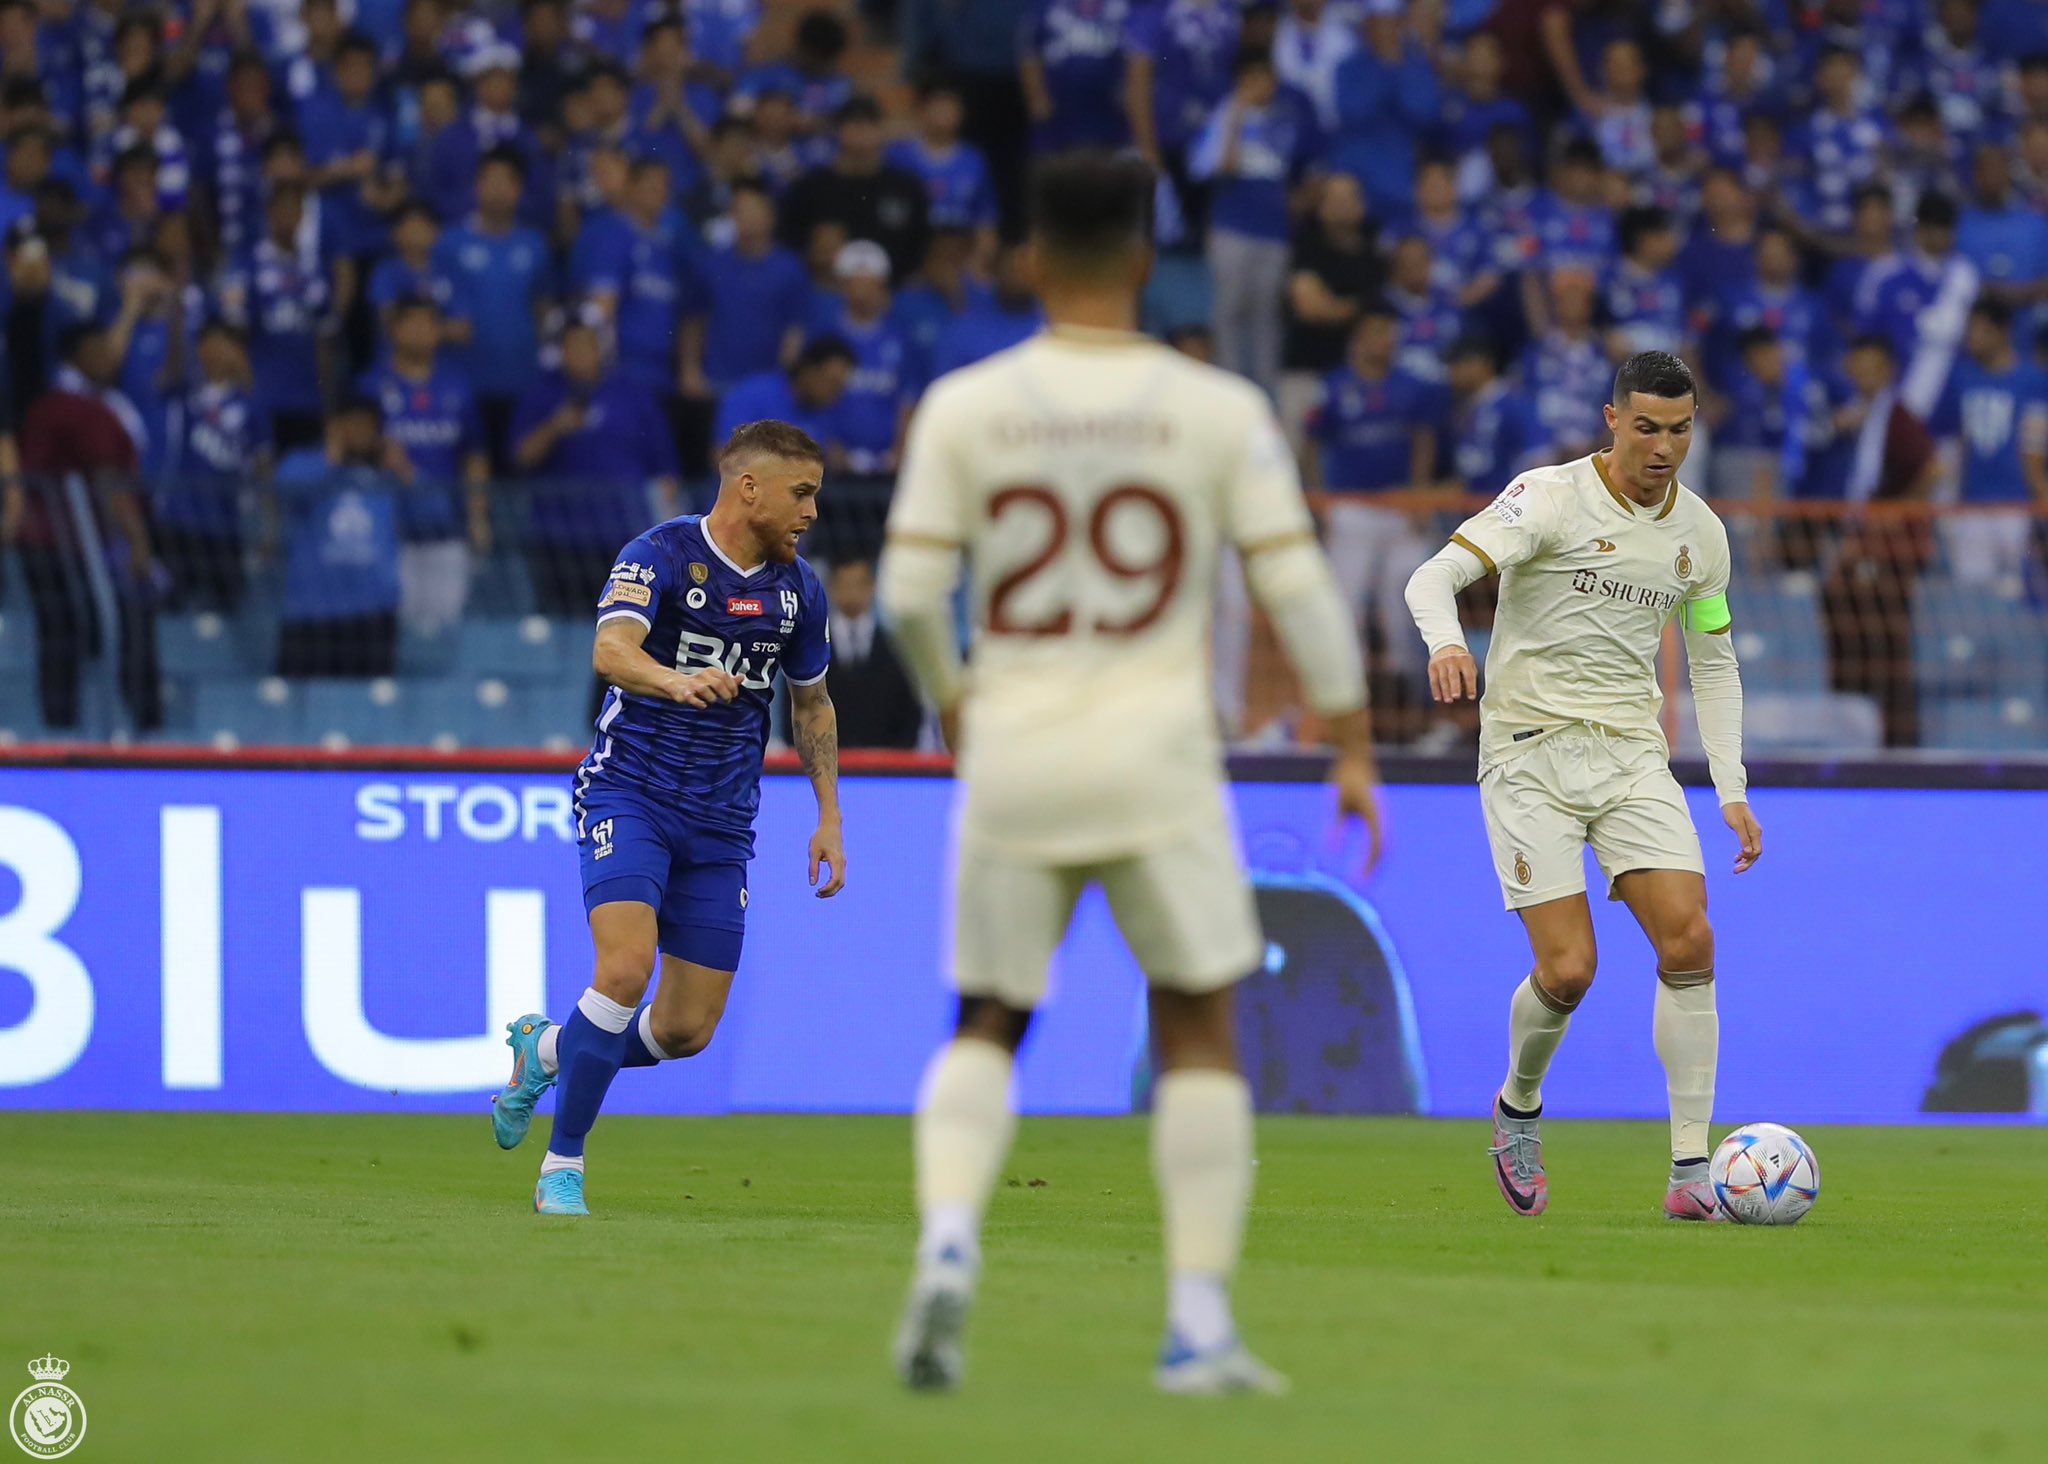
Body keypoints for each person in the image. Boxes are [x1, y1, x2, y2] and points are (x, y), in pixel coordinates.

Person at [878, 150, 1382, 1395]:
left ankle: (947, 1242)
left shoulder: (966, 405)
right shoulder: (1213, 409)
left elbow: (901, 593)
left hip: (1019, 748)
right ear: (1150, 261)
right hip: (1157, 755)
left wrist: (957, 704)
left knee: (988, 1016)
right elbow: (1296, 583)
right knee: (1199, 1022)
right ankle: (1196, 1322)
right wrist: (1350, 739)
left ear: (1029, 259)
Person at [1402, 350, 1763, 1223]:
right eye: (1646, 427)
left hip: (1632, 756)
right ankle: (1518, 1106)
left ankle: (1689, 1170)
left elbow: (1713, 661)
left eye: (1679, 430)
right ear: (1612, 421)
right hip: (1529, 752)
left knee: (1690, 941)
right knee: (1568, 972)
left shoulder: (1701, 536)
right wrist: (1448, 642)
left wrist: (1732, 787)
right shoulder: (1548, 499)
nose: (1663, 447)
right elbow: (1433, 575)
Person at [489, 419, 845, 1217]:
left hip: (723, 822)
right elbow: (611, 652)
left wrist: (829, 815)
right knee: (623, 971)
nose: (811, 512)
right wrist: (672, 680)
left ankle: (544, 1047)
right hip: (632, 793)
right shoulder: (657, 554)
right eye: (802, 493)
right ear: (748, 486)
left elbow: (812, 705)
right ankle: (563, 1168)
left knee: (687, 1030)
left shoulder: (799, 592)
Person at [15, 321, 160, 731]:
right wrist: (137, 542)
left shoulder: (60, 404)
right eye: (98, 349)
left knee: (63, 636)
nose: (108, 358)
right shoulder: (81, 409)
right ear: (75, 355)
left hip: (54, 543)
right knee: (104, 630)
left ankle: (67, 725)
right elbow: (107, 481)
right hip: (70, 545)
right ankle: (140, 731)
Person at [513, 315, 680, 616]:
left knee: (620, 620)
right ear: (560, 351)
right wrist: (554, 427)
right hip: (558, 535)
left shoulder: (632, 393)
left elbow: (664, 469)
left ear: (600, 348)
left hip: (622, 535)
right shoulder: (542, 394)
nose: (579, 353)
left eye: (587, 345)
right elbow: (520, 458)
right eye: (571, 346)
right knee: (560, 623)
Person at [1821, 334, 1941, 748]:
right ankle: (1854, 725)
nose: (1864, 374)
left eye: (1873, 366)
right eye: (1859, 365)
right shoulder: (1866, 416)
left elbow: (1932, 468)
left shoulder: (1898, 417)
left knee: (1884, 641)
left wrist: (1896, 513)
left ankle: (1896, 738)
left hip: (1885, 549)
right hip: (1862, 541)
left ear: (1888, 369)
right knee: (1849, 621)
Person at [1189, 46, 1318, 398]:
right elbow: (1213, 166)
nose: (1261, 86)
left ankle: (1264, 393)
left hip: (1273, 230)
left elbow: (1304, 169)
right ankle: (1228, 389)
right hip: (1231, 226)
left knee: (1265, 315)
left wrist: (1299, 200)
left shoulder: (1287, 117)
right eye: (1252, 80)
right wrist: (1235, 114)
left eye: (1266, 79)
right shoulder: (1225, 113)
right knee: (1228, 311)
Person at [357, 294, 490, 635]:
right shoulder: (371, 386)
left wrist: (477, 515)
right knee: (394, 628)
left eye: (427, 323)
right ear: (394, 330)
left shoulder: (457, 386)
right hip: (388, 531)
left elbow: (473, 453)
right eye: (411, 323)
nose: (419, 332)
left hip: (446, 531)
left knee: (444, 630)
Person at [272, 395, 406, 678]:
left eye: (365, 426)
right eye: (350, 425)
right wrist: (330, 456)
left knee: (369, 708)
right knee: (300, 706)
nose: (357, 433)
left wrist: (403, 469)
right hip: (311, 612)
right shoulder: (305, 464)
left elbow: (436, 515)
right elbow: (282, 490)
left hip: (372, 613)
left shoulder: (388, 477)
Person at [1928, 298, 2048, 587]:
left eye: (1979, 330)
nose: (1971, 338)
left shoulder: (2033, 381)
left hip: (2018, 505)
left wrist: (2041, 497)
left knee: (2019, 591)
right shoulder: (1961, 377)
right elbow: (1947, 441)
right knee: (1973, 594)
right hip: (1972, 505)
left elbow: (2034, 447)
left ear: (2002, 332)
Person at [818, 557, 924, 749]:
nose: (852, 593)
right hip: (825, 765)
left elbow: (910, 713)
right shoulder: (812, 647)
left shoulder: (895, 648)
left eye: (859, 584)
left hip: (887, 768)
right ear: (832, 588)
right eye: (845, 584)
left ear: (872, 587)